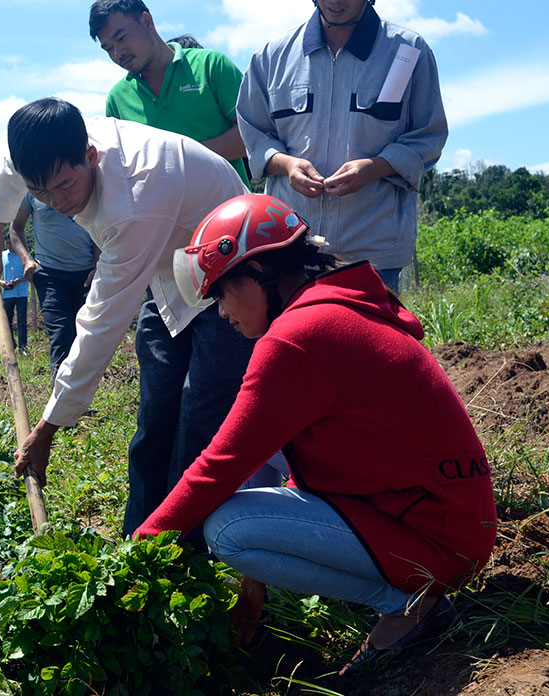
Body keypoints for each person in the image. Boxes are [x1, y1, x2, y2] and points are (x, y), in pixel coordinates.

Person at [135, 193, 497, 672]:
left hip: (437, 539)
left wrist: (138, 549)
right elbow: (266, 453)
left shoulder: (297, 336)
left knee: (228, 528)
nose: (221, 311)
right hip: (449, 516)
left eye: (222, 292)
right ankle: (411, 597)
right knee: (255, 468)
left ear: (262, 273)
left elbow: (219, 466)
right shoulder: (333, 307)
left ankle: (407, 606)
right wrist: (254, 580)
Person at [0, 98, 288, 547]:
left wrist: (48, 428)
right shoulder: (42, 158)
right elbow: (8, 171)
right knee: (155, 415)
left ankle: (182, 553)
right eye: (40, 193)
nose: (57, 203)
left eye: (65, 186)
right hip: (166, 264)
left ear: (91, 156)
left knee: (199, 414)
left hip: (229, 270)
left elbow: (101, 323)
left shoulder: (134, 201)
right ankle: (136, 542)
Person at [236, 0, 448, 292]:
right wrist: (288, 164)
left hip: (371, 252)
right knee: (294, 338)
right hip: (291, 251)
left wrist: (375, 167)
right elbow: (254, 133)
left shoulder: (408, 51)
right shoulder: (272, 57)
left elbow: (429, 136)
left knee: (366, 338)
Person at [90, 0, 250, 185]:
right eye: (108, 48)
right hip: (158, 214)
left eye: (122, 38)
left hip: (229, 209)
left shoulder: (211, 65)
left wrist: (181, 159)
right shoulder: (116, 100)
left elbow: (254, 133)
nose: (118, 53)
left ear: (147, 22)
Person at [8, 193, 99, 380]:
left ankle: (79, 397)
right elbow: (16, 228)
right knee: (61, 334)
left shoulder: (82, 182)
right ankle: (63, 399)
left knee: (85, 336)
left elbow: (100, 226)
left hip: (86, 275)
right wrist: (27, 261)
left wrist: (99, 265)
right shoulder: (31, 190)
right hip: (50, 274)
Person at [0, 247, 29, 354]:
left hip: (21, 293)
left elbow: (31, 273)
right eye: (7, 242)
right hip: (8, 294)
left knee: (22, 321)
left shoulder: (24, 254)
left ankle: (23, 347)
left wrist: (19, 281)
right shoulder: (2, 256)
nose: (9, 245)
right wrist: (2, 283)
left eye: (11, 242)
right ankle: (11, 345)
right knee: (7, 321)